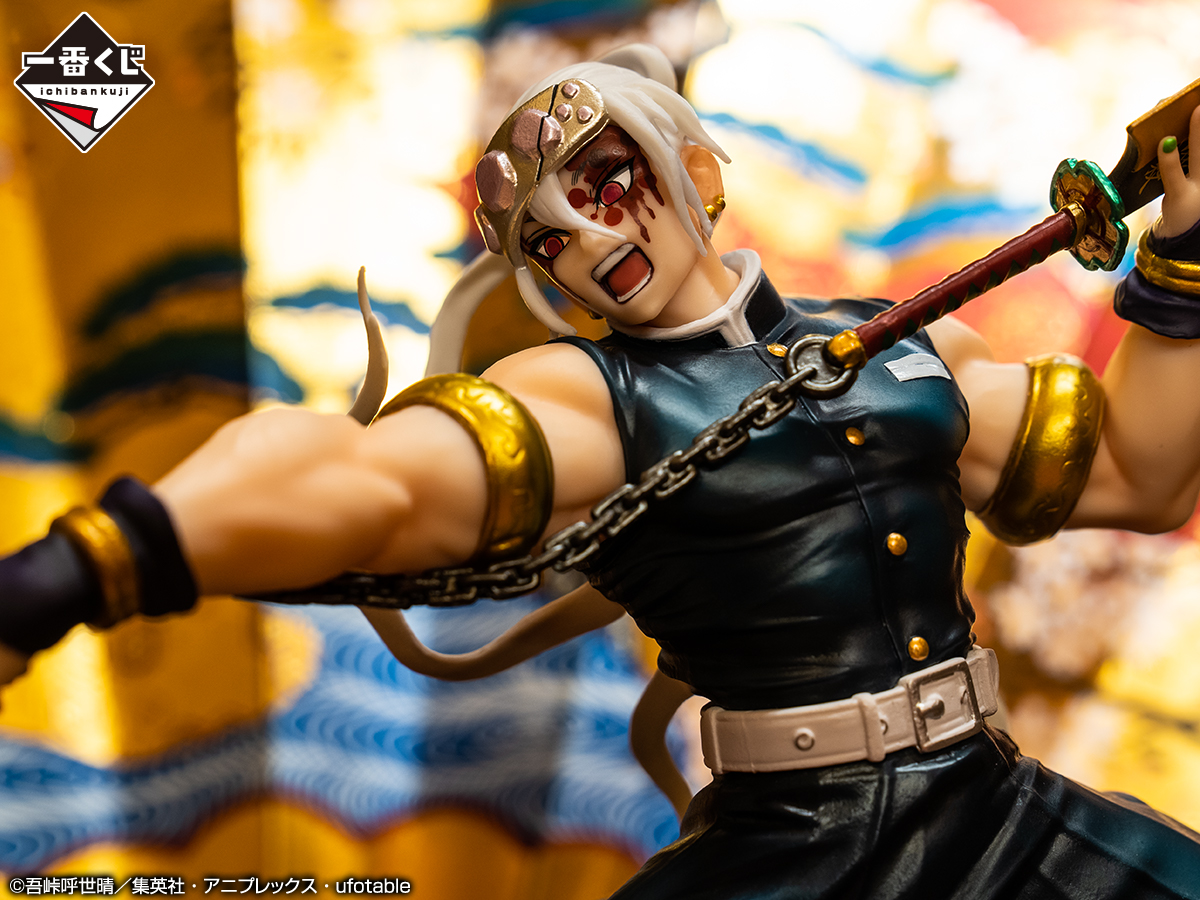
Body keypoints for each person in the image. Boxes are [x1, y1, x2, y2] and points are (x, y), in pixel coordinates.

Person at [5, 44, 1200, 897]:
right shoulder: (584, 399)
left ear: (697, 167)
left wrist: (1186, 256)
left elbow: (1137, 476)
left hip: (1000, 815)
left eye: (599, 179)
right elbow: (374, 482)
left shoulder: (909, 348)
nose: (581, 234)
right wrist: (86, 565)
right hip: (791, 849)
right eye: (544, 237)